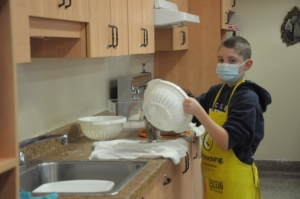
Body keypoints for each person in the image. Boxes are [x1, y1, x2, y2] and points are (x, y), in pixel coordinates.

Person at [183, 36, 271, 199]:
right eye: (221, 59)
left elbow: (226, 142)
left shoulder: (247, 99)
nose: (225, 65)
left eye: (232, 60)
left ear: (247, 64)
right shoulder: (215, 92)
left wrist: (199, 111)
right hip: (212, 178)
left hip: (235, 182)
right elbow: (188, 114)